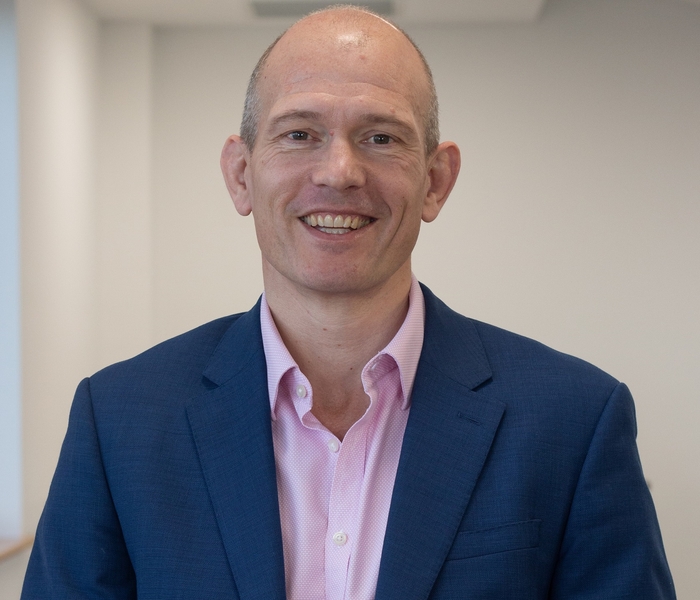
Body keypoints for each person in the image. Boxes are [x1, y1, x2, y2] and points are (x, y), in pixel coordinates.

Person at [22, 5, 675, 599]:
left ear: (436, 181)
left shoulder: (573, 422)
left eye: (380, 138)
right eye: (299, 134)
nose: (339, 171)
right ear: (241, 174)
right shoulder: (121, 423)